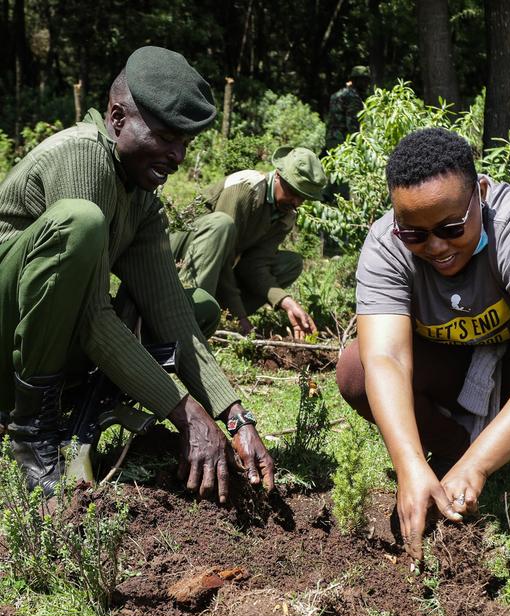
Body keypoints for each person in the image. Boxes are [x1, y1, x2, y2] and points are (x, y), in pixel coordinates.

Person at [0, 45, 274, 500]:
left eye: (185, 142)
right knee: (80, 223)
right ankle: (31, 428)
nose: (178, 155)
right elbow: (91, 317)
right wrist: (182, 410)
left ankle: (75, 410)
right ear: (117, 118)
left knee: (197, 307)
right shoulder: (83, 156)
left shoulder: (139, 193)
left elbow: (171, 314)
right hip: (7, 334)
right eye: (166, 136)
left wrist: (234, 415)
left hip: (41, 344)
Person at [337, 127, 510, 560]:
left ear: (481, 192)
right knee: (357, 370)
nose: (436, 246)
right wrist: (409, 463)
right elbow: (386, 357)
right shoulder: (386, 246)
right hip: (452, 366)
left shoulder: (509, 228)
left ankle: (481, 458)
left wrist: (477, 468)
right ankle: (452, 450)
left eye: (452, 227)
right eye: (414, 233)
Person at [169, 146, 327, 339]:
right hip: (178, 258)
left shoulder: (285, 216)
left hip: (217, 269)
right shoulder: (245, 188)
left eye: (303, 197)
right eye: (293, 192)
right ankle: (186, 319)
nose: (296, 202)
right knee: (222, 225)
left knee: (290, 263)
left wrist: (285, 301)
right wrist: (241, 316)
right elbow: (223, 256)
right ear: (277, 176)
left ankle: (218, 316)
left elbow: (255, 265)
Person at [325, 65, 370, 151]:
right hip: (343, 143)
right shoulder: (353, 98)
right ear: (356, 80)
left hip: (330, 139)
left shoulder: (337, 94)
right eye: (364, 80)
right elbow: (353, 126)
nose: (367, 84)